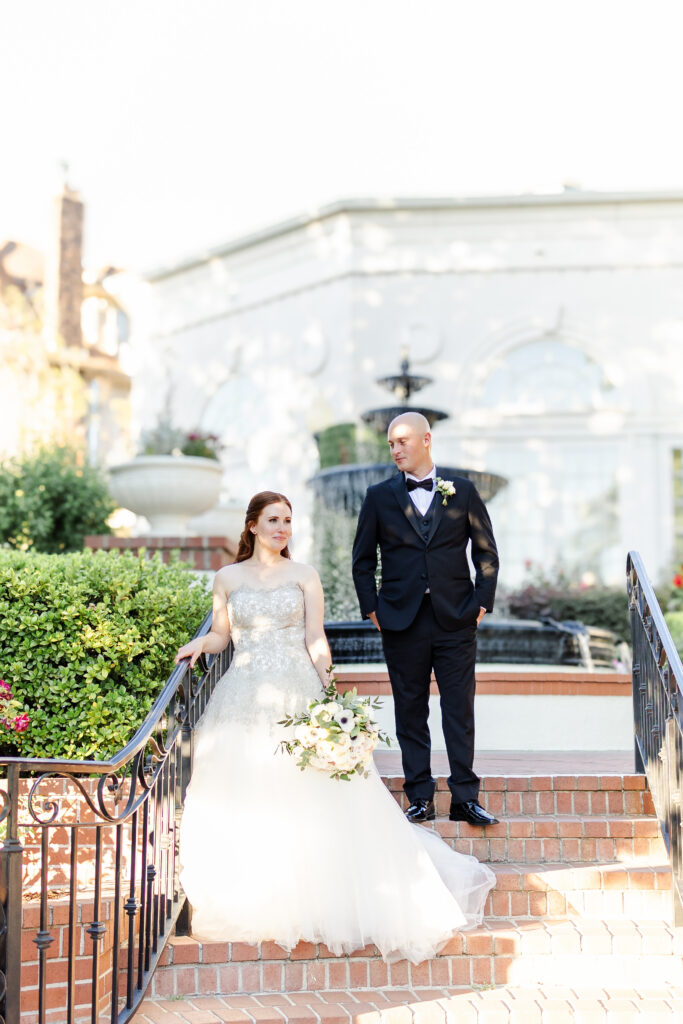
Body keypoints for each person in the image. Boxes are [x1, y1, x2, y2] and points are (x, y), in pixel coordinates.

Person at [176, 490, 495, 963]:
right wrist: (202, 642)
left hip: (296, 689)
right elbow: (225, 635)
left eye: (287, 520)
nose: (282, 528)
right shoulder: (227, 577)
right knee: (247, 789)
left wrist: (330, 697)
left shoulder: (305, 575)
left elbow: (314, 638)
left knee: (309, 791)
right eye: (272, 520)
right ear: (252, 527)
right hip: (243, 695)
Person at [352, 412, 500, 827]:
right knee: (410, 711)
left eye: (402, 441)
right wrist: (373, 610)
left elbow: (487, 555)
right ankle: (419, 796)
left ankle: (465, 799)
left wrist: (480, 604)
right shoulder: (378, 497)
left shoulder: (464, 492)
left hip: (456, 620)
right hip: (401, 621)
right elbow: (362, 562)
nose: (395, 450)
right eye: (391, 444)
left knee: (459, 710)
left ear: (426, 440)